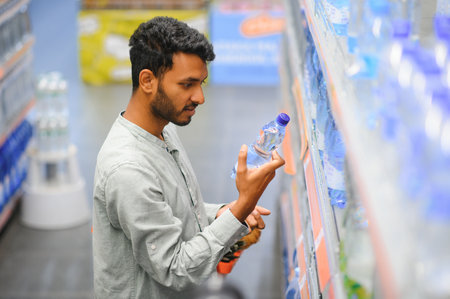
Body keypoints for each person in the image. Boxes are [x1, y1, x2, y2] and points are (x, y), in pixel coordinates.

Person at [92, 16, 285, 298]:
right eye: (188, 84)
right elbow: (175, 269)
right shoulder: (129, 170)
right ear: (147, 80)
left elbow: (170, 208)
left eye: (202, 82)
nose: (200, 97)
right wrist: (242, 206)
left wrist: (221, 214)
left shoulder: (161, 129)